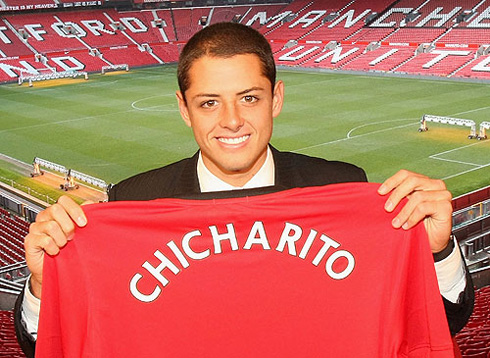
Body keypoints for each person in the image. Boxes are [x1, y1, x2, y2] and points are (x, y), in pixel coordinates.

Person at [14, 22, 473, 357]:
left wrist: (435, 252)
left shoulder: (343, 188)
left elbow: (435, 325)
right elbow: (53, 344)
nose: (231, 121)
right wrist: (42, 284)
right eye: (209, 103)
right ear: (183, 109)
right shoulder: (133, 202)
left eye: (249, 98)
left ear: (276, 99)